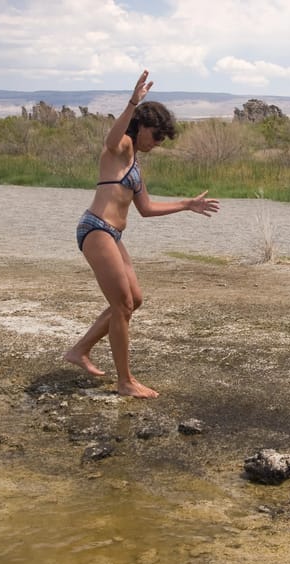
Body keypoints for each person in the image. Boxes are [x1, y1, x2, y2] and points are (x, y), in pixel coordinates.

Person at [64, 70, 220, 398]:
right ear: (144, 127)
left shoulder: (135, 165)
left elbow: (146, 208)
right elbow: (110, 138)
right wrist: (134, 102)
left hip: (113, 235)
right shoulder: (119, 148)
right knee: (121, 304)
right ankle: (125, 382)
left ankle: (79, 350)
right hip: (95, 229)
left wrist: (187, 204)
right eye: (157, 137)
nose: (157, 144)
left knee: (134, 301)